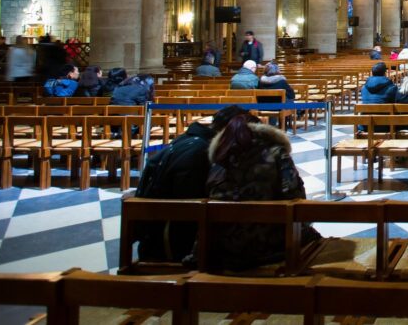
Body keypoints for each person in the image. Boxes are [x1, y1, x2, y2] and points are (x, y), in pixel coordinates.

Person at [207, 110, 319, 270]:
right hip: (269, 247)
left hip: (225, 249)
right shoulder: (276, 153)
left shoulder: (219, 159)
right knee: (314, 238)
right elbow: (295, 197)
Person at [135, 105, 247, 262]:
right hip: (169, 241)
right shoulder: (199, 152)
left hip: (156, 228)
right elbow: (189, 205)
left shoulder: (188, 140)